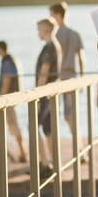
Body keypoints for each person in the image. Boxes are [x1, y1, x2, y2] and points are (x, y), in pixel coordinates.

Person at [49, 2, 84, 138]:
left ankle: (78, 149)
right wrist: (81, 77)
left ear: (57, 15)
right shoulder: (75, 34)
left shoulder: (54, 35)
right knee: (70, 115)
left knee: (62, 115)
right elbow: (81, 58)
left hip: (58, 78)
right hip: (72, 77)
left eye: (51, 15)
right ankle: (80, 148)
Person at [35, 17, 62, 175]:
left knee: (34, 128)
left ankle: (45, 163)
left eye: (38, 29)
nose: (37, 32)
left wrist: (37, 96)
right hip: (51, 92)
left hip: (44, 93)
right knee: (48, 129)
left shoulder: (49, 48)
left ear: (46, 29)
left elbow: (44, 72)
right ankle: (53, 161)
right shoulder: (55, 46)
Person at [0, 41, 28, 162]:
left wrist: (1, 99)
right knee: (8, 126)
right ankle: (16, 153)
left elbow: (6, 80)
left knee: (12, 126)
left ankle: (22, 153)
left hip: (8, 100)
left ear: (0, 49)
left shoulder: (7, 62)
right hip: (13, 98)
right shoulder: (13, 60)